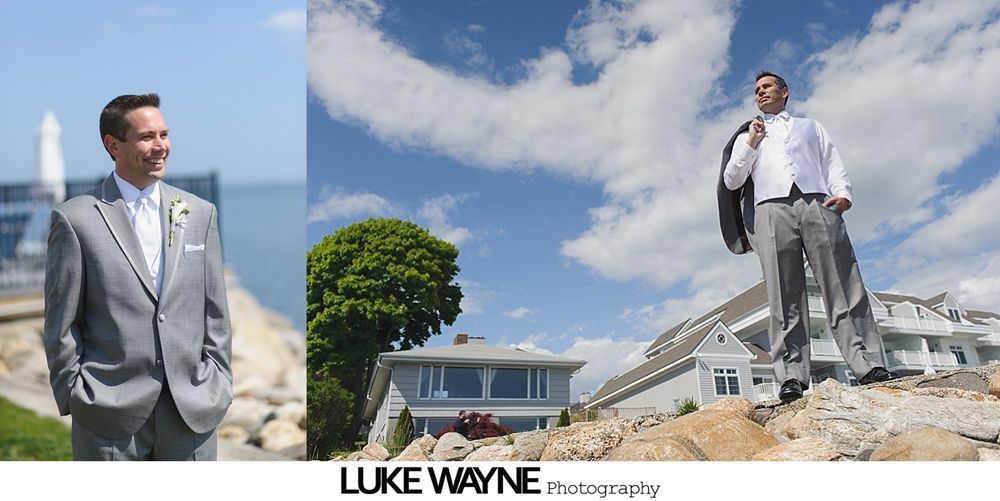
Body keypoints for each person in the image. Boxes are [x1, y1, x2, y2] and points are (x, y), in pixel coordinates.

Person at [43, 93, 233, 460]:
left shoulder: (199, 213)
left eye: (164, 134)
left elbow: (216, 313)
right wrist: (77, 396)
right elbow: (60, 323)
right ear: (113, 145)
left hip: (191, 412)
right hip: (108, 416)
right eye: (147, 137)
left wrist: (219, 383)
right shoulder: (76, 219)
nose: (160, 146)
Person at [717, 71, 899, 403]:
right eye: (756, 90)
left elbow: (831, 161)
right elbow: (732, 180)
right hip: (771, 211)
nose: (760, 93)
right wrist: (752, 142)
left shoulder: (810, 126)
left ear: (784, 92)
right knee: (783, 296)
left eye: (767, 87)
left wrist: (843, 194)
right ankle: (791, 377)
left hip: (817, 202)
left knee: (843, 284)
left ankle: (868, 365)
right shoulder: (749, 135)